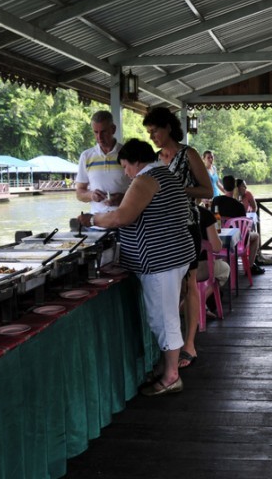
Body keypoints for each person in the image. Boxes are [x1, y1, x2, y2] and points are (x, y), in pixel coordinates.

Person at [76, 139, 194, 397]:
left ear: (136, 161)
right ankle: (167, 367)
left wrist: (92, 219)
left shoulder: (145, 179)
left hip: (161, 260)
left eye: (125, 167)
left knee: (164, 318)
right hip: (173, 255)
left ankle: (172, 376)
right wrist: (123, 198)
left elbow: (122, 217)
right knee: (166, 314)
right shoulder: (164, 173)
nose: (126, 173)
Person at [143, 107, 212, 369]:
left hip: (187, 225)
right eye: (149, 132)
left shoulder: (188, 154)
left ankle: (190, 345)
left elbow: (208, 191)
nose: (152, 137)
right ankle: (169, 342)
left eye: (155, 131)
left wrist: (177, 189)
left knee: (189, 283)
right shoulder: (153, 159)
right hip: (161, 230)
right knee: (169, 287)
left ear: (168, 127)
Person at [75, 110, 130, 216]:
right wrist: (91, 195)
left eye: (103, 131)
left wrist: (123, 198)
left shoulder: (128, 153)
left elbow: (141, 188)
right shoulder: (86, 156)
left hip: (126, 221)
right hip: (97, 223)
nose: (99, 137)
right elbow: (79, 193)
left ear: (113, 129)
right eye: (96, 132)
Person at [214, 175, 265, 275]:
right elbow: (244, 227)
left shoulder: (216, 201)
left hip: (219, 239)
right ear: (234, 187)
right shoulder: (239, 206)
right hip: (237, 242)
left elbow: (215, 220)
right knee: (255, 236)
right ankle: (249, 267)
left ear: (223, 187)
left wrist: (221, 231)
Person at [196, 205, 230, 314]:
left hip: (175, 270)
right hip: (201, 269)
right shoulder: (204, 214)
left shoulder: (169, 212)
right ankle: (198, 302)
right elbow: (216, 247)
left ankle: (193, 303)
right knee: (225, 268)